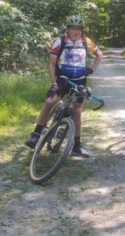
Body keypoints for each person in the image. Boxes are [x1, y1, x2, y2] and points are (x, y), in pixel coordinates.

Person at [25, 15, 103, 157]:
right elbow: (52, 64)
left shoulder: (87, 42)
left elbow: (99, 55)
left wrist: (91, 69)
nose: (76, 31)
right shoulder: (59, 42)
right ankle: (36, 133)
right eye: (73, 28)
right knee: (50, 102)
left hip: (79, 80)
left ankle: (77, 145)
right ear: (67, 29)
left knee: (77, 111)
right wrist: (53, 83)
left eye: (79, 29)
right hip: (63, 79)